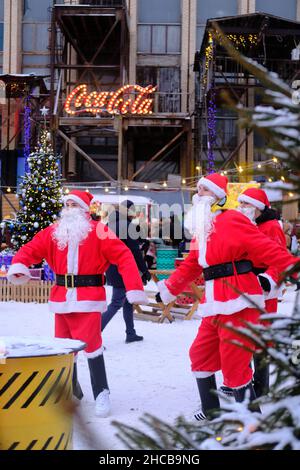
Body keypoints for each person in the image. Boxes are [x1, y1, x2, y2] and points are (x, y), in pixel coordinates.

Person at [157, 173, 299, 421]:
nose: (197, 194)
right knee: (199, 355)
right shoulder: (204, 228)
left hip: (239, 300)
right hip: (214, 304)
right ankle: (212, 410)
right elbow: (192, 264)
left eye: (202, 189)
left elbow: (269, 250)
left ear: (216, 196)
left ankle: (252, 421)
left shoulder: (233, 219)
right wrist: (168, 289)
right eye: (197, 189)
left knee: (235, 367)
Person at [7, 190, 148, 418]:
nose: (70, 208)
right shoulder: (54, 232)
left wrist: (133, 287)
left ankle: (101, 392)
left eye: (75, 204)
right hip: (61, 299)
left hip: (88, 299)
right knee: (64, 349)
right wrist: (20, 264)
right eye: (67, 204)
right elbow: (31, 248)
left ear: (84, 209)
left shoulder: (99, 231)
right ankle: (72, 392)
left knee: (92, 347)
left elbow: (124, 256)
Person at [229, 187, 286, 398]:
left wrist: (267, 280)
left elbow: (280, 259)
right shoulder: (251, 224)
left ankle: (261, 387)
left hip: (263, 287)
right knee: (247, 334)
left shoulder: (271, 226)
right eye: (240, 203)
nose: (241, 207)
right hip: (248, 284)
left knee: (261, 336)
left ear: (258, 208)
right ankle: (246, 379)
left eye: (245, 204)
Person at [101, 199, 152, 343]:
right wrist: (145, 270)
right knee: (117, 302)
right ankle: (94, 333)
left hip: (111, 267)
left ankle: (131, 333)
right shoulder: (128, 226)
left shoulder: (108, 225)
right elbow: (134, 252)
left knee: (128, 300)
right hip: (123, 269)